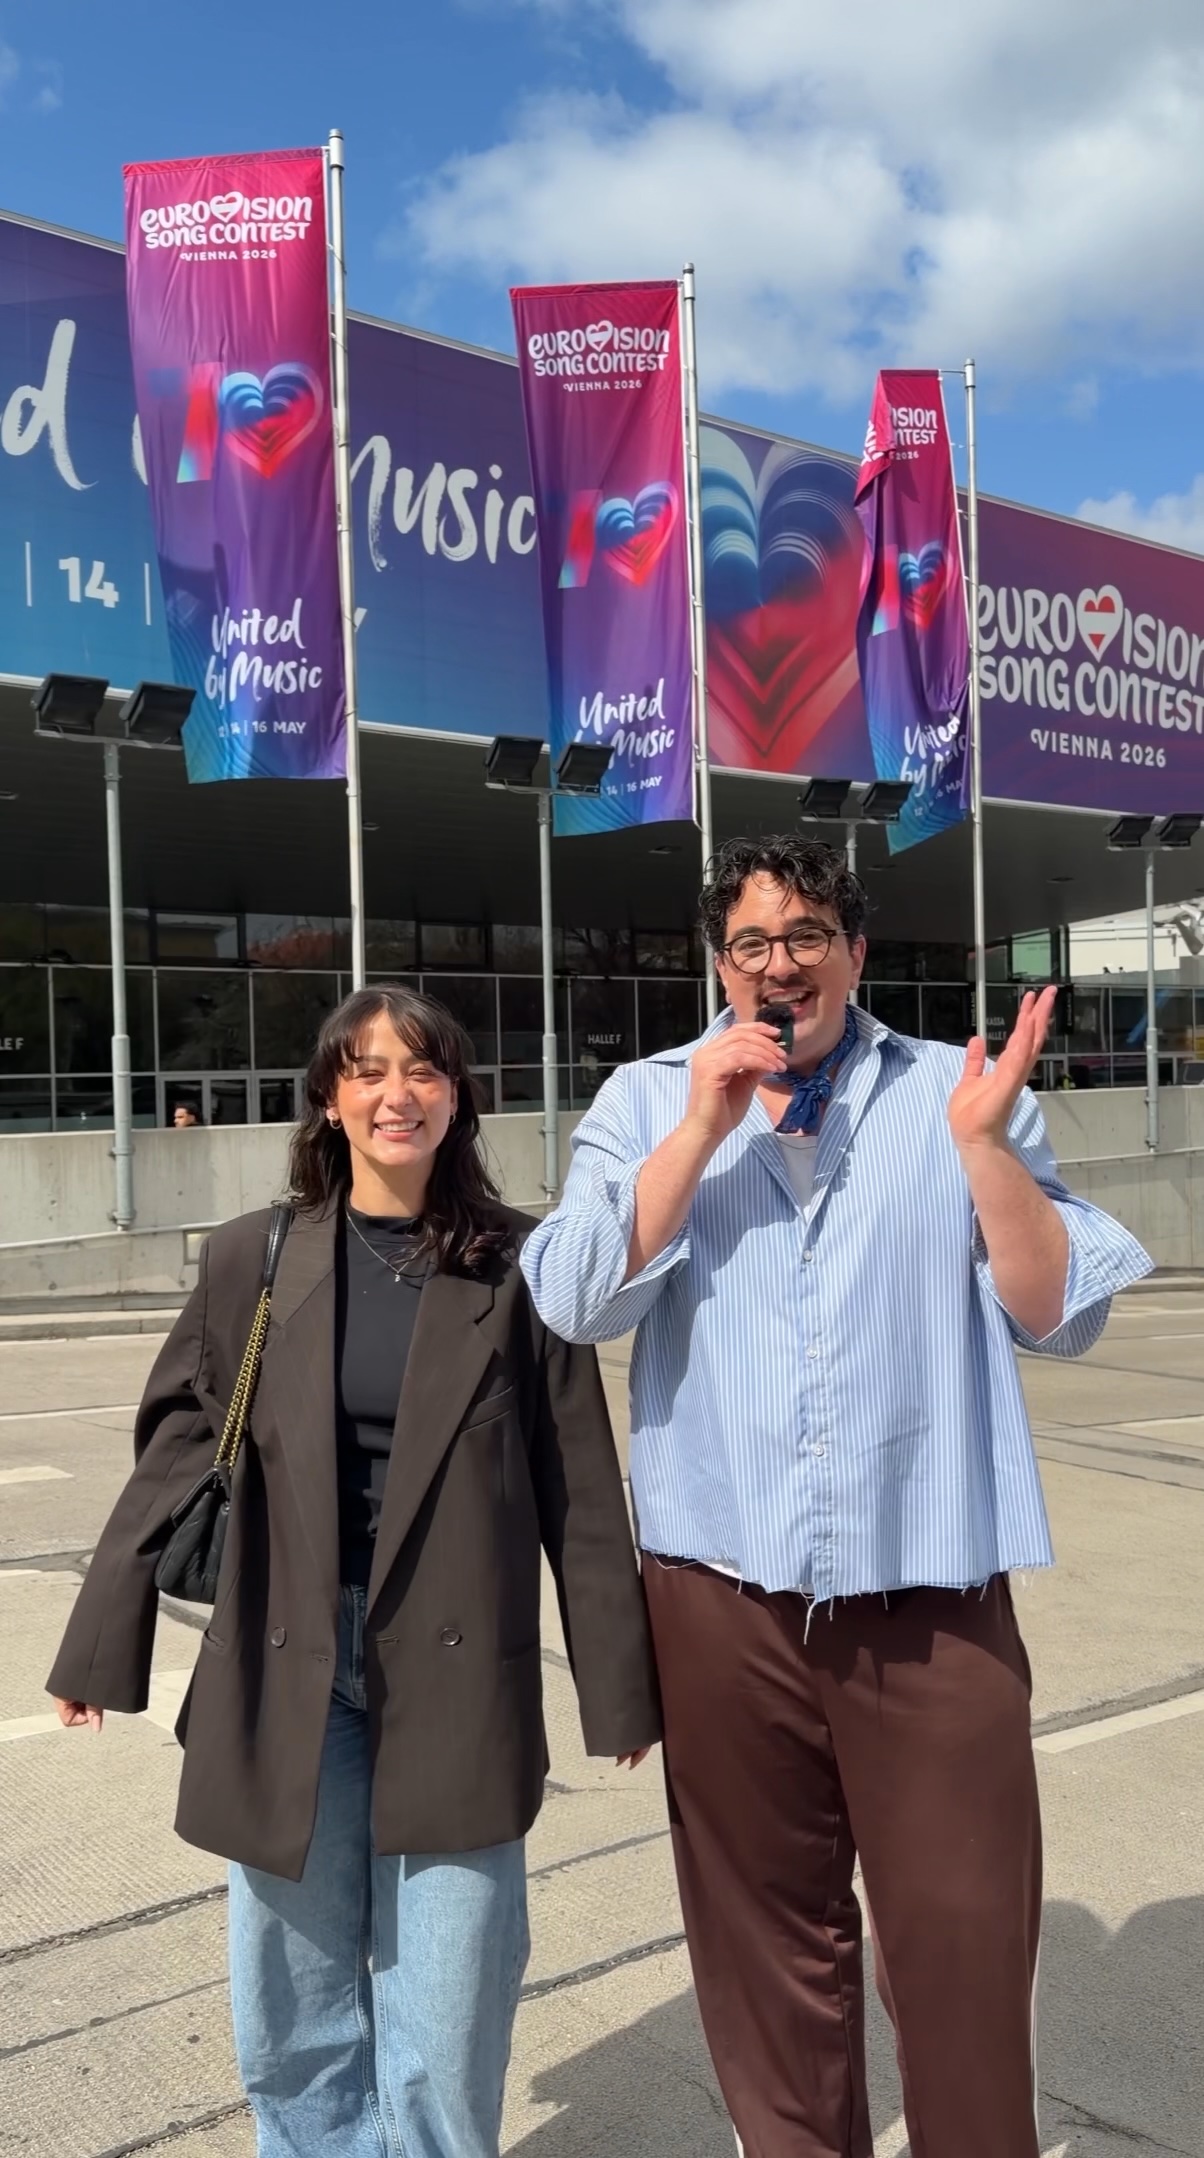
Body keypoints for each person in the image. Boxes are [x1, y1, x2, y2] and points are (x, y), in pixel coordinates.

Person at [521, 836, 1152, 2158]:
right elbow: (572, 1297)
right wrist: (702, 1123)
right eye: (751, 942)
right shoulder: (648, 1096)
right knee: (766, 1943)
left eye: (808, 933)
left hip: (929, 1587)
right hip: (720, 1590)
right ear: (720, 964)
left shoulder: (955, 1091)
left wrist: (982, 1150)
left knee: (965, 1940)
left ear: (855, 953)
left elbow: (1056, 1312)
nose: (780, 962)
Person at [48, 984, 660, 2158]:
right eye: (368, 1070)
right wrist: (101, 1642)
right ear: (329, 1100)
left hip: (458, 1669)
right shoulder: (253, 1259)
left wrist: (615, 1685)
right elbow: (174, 1456)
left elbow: (578, 1486)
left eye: (422, 1068)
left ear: (457, 1096)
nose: (397, 1092)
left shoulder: (522, 1269)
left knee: (447, 2013)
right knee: (297, 2004)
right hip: (287, 1662)